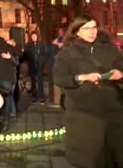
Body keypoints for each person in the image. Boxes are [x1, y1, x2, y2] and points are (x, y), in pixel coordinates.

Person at [53, 14, 123, 168]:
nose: (92, 32)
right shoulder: (67, 53)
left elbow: (121, 66)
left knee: (113, 155)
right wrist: (81, 77)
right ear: (77, 31)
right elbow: (59, 78)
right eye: (86, 28)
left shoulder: (109, 48)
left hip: (112, 110)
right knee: (89, 158)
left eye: (94, 27)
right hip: (83, 114)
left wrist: (120, 74)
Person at [0, 37, 19, 128]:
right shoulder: (9, 48)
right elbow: (17, 63)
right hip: (7, 79)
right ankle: (6, 117)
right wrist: (10, 58)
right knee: (8, 97)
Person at [23, 31, 46, 104]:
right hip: (32, 66)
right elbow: (25, 55)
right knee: (33, 82)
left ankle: (41, 97)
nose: (33, 38)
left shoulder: (41, 44)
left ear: (37, 36)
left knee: (40, 82)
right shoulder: (28, 45)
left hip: (39, 66)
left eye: (35, 36)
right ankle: (34, 97)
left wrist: (41, 62)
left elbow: (44, 55)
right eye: (32, 36)